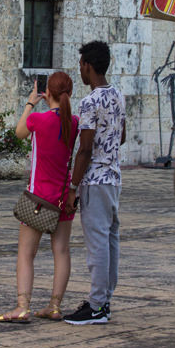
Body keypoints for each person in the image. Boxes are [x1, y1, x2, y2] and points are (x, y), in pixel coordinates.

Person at [0, 72, 79, 323]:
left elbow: (19, 132)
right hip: (64, 197)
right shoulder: (74, 122)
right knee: (61, 251)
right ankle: (54, 306)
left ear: (48, 93)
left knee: (26, 253)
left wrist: (31, 102)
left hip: (38, 199)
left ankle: (22, 305)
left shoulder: (38, 120)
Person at [63, 41, 126, 325]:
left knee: (98, 243)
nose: (80, 72)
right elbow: (121, 136)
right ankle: (104, 300)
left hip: (95, 180)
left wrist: (73, 187)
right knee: (110, 239)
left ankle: (98, 305)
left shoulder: (89, 102)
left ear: (88, 65)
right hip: (113, 177)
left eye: (81, 66)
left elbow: (85, 148)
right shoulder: (117, 95)